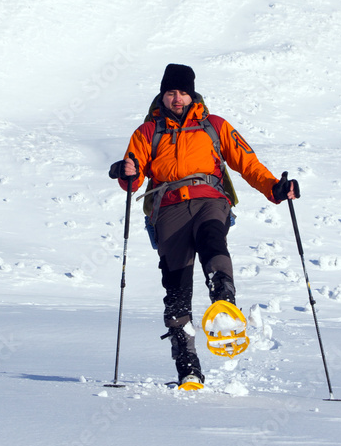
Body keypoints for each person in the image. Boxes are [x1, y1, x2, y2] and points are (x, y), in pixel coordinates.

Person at [109, 63, 298, 387]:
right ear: (162, 95)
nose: (177, 98)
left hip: (210, 198)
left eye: (183, 92)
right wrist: (125, 172)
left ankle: (224, 302)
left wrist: (275, 188)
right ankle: (188, 367)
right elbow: (134, 175)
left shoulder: (214, 126)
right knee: (176, 288)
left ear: (192, 95)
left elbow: (247, 163)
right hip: (168, 207)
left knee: (212, 239)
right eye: (171, 92)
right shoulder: (147, 132)